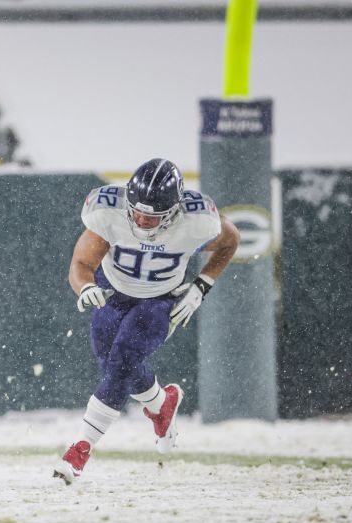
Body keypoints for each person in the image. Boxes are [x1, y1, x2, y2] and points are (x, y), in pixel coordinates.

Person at [54, 157, 240, 484]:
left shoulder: (196, 221)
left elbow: (230, 240)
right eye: (136, 211)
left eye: (151, 216)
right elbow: (81, 261)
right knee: (112, 364)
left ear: (173, 212)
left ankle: (80, 449)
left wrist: (202, 284)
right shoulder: (108, 212)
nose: (140, 219)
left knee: (123, 361)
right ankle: (161, 402)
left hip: (161, 299)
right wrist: (84, 287)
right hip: (113, 292)